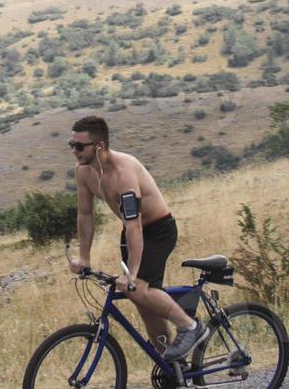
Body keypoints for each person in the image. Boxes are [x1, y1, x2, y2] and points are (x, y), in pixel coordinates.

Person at [66, 114, 210, 362]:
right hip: (131, 231)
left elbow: (135, 225)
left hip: (158, 229)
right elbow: (85, 215)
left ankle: (191, 327)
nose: (74, 151)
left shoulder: (124, 173)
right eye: (71, 145)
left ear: (98, 146)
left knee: (139, 288)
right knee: (144, 304)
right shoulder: (83, 172)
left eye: (79, 146)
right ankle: (173, 368)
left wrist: (131, 274)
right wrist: (84, 257)